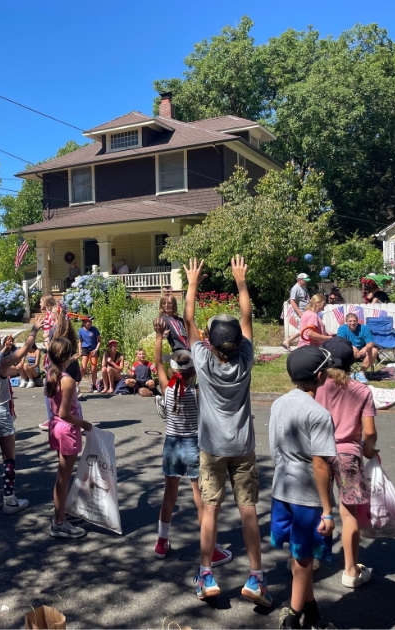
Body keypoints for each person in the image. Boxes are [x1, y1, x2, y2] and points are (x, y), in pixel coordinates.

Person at [183, 257, 271, 606]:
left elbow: (188, 320)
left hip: (211, 448)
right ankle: (256, 577)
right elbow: (247, 318)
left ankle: (206, 574)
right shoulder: (245, 360)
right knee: (248, 509)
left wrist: (192, 282)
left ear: (209, 341)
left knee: (211, 509)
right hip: (243, 447)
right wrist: (241, 282)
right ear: (237, 342)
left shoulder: (203, 361)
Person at [152, 319, 232, 569]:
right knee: (201, 499)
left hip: (171, 445)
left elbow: (157, 363)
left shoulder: (167, 389)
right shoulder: (198, 392)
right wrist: (209, 344)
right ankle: (210, 548)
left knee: (169, 496)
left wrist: (158, 337)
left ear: (175, 369)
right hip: (193, 445)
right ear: (194, 371)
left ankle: (161, 542)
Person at [269, 346, 339, 629]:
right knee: (305, 559)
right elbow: (321, 465)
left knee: (299, 554)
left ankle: (311, 611)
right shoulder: (319, 414)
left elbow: (274, 448)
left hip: (281, 489)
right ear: (320, 376)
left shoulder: (279, 403)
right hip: (307, 497)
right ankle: (293, 619)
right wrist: (327, 510)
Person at [316, 337, 377, 589]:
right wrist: (369, 450)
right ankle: (350, 571)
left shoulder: (316, 386)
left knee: (317, 507)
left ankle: (309, 557)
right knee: (348, 512)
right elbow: (370, 433)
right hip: (347, 454)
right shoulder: (362, 391)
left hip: (317, 452)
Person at [0, 317, 42, 515]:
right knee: (8, 457)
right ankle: (9, 499)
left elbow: (0, 358)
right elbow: (22, 351)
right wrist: (33, 330)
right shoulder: (1, 364)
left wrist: (2, 349)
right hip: (0, 412)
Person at [45, 337, 93, 538]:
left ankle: (61, 512)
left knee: (62, 475)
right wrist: (84, 424)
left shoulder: (51, 374)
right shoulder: (68, 381)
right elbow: (66, 412)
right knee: (63, 477)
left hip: (55, 426)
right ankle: (59, 522)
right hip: (66, 429)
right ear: (66, 356)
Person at [39, 309, 81, 431]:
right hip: (70, 362)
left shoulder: (54, 330)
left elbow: (53, 348)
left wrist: (47, 345)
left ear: (56, 315)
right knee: (72, 396)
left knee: (51, 392)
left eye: (51, 312)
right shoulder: (70, 330)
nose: (49, 314)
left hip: (58, 366)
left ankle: (52, 418)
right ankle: (77, 418)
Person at [337, 313, 378, 383]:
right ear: (346, 321)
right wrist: (352, 348)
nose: (352, 323)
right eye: (350, 321)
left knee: (374, 350)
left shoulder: (364, 328)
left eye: (354, 321)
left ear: (357, 321)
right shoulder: (342, 329)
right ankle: (349, 372)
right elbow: (341, 343)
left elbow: (370, 343)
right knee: (342, 350)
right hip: (348, 351)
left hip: (363, 351)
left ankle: (361, 373)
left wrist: (364, 350)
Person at [282, 273, 311, 351]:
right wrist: (299, 313)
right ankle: (301, 345)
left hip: (306, 311)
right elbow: (292, 301)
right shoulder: (296, 288)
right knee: (303, 329)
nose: (306, 282)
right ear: (300, 280)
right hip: (300, 312)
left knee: (302, 329)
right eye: (305, 280)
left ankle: (287, 341)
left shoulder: (303, 287)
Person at [78, 317, 101, 393]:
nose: (89, 323)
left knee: (93, 369)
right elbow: (80, 341)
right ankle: (76, 385)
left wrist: (96, 349)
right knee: (83, 368)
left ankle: (94, 385)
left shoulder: (94, 329)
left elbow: (99, 341)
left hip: (94, 349)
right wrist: (80, 351)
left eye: (90, 321)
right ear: (84, 322)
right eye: (87, 322)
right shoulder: (81, 331)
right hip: (85, 349)